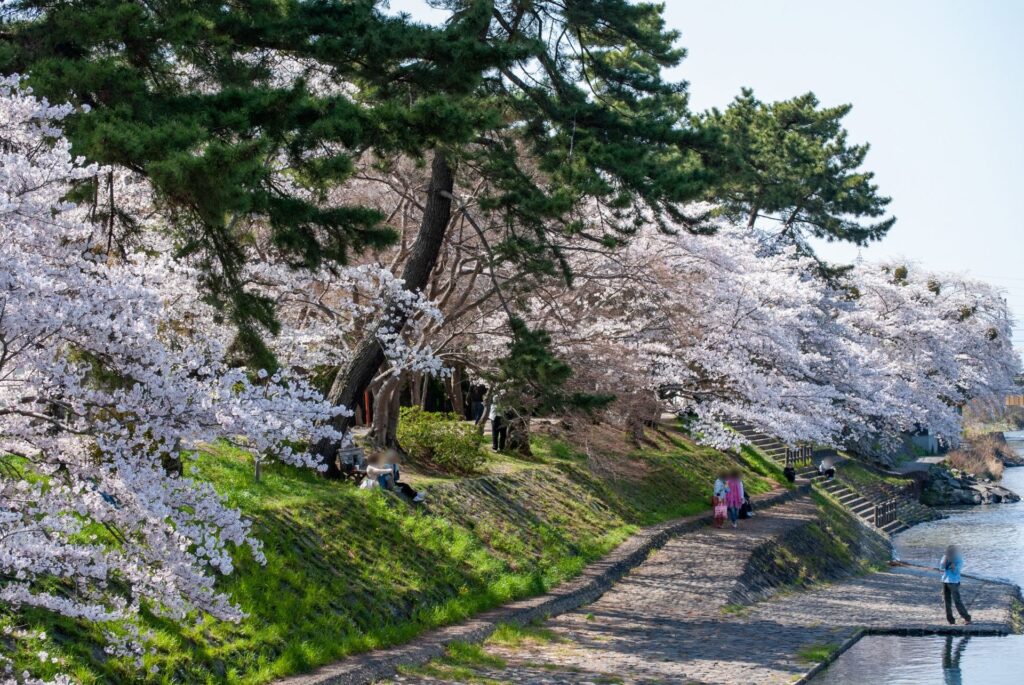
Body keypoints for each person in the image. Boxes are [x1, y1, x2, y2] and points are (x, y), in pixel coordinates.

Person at [939, 545, 972, 625]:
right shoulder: (946, 556)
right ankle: (950, 620)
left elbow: (956, 572)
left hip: (954, 581)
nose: (949, 554)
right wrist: (945, 560)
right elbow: (941, 567)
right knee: (946, 602)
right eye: (948, 552)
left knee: (957, 601)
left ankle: (967, 618)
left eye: (950, 553)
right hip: (945, 580)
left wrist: (953, 565)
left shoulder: (958, 558)